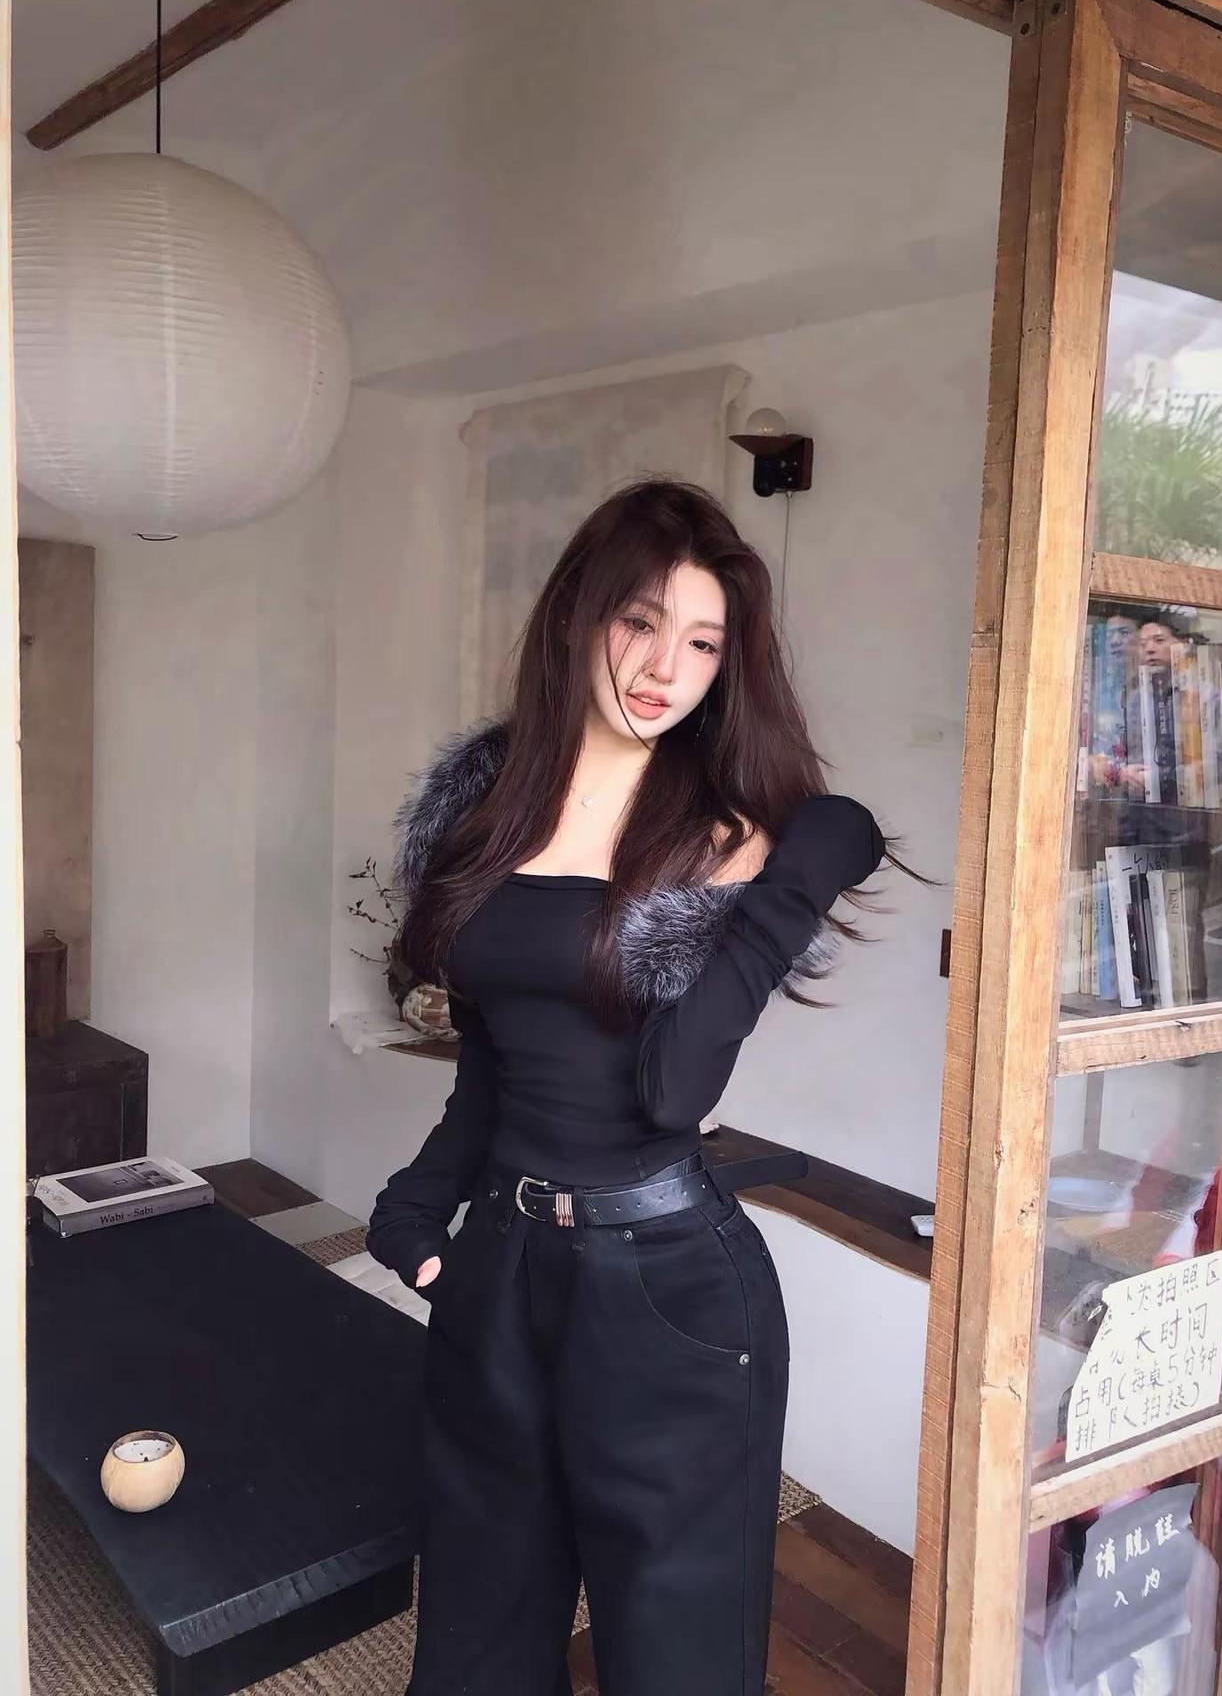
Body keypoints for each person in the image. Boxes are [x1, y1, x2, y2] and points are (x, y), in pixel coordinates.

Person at [366, 478, 912, 1696]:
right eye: (639, 621)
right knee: (474, 1647)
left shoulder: (726, 839)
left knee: (675, 1660)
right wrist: (417, 1212)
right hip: (502, 1267)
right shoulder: (481, 814)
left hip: (668, 1291)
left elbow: (673, 1090)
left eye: (703, 642)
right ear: (577, 613)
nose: (667, 667)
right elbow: (493, 1061)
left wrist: (791, 885)